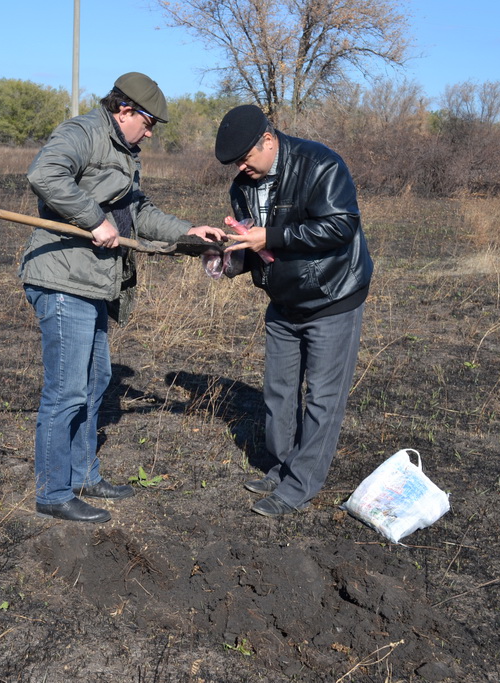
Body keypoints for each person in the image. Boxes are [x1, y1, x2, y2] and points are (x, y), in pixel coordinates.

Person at [19, 72, 226, 523]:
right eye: (148, 123)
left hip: (92, 285)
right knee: (67, 390)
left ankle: (83, 474)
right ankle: (53, 492)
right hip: (62, 280)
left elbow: (139, 213)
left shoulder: (124, 153)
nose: (150, 134)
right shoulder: (83, 133)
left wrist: (189, 234)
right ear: (125, 109)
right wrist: (93, 219)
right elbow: (44, 173)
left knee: (95, 382)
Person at [213, 104, 373, 517]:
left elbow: (341, 225)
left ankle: (300, 486)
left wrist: (275, 235)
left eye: (246, 158)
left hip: (332, 295)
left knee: (322, 398)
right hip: (283, 300)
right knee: (279, 391)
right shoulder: (243, 187)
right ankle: (282, 466)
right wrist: (226, 258)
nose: (242, 168)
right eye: (236, 163)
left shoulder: (320, 164)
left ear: (269, 140)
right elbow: (257, 247)